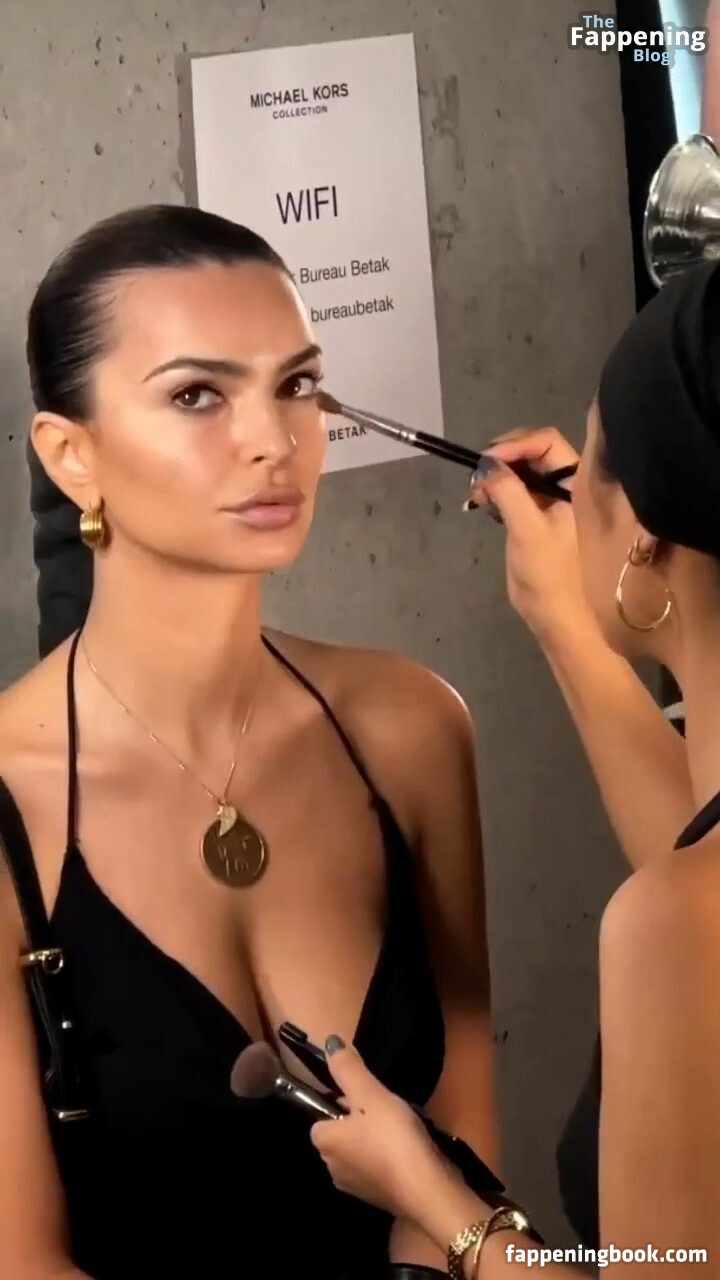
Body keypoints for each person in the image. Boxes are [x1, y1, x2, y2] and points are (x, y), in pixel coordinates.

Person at [0, 205, 498, 1280]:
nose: (274, 440)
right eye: (198, 394)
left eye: (298, 384)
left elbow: (465, 1159)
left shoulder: (409, 729)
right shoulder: (10, 799)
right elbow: (23, 1260)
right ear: (71, 455)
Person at [311, 261, 720, 1275]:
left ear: (646, 535)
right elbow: (696, 847)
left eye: (595, 459)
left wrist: (434, 1197)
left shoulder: (676, 931)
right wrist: (562, 613)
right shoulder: (694, 906)